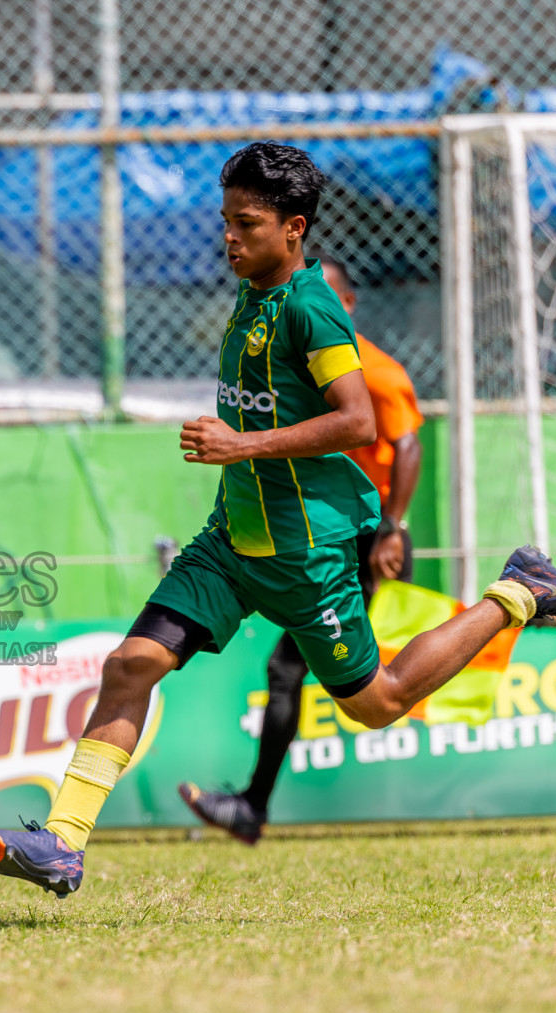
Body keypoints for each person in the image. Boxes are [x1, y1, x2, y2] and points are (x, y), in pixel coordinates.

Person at [0, 142, 556, 898]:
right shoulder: (252, 292)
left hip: (308, 554)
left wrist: (244, 443)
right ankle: (62, 843)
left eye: (247, 224)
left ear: (294, 228)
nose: (229, 238)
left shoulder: (310, 308)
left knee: (379, 702)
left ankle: (519, 592)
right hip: (231, 541)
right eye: (226, 221)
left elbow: (359, 420)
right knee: (130, 664)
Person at [176, 253, 425, 844]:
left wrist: (392, 528)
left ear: (349, 306)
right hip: (320, 530)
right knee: (311, 675)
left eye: (335, 300)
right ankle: (252, 806)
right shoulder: (295, 362)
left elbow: (407, 447)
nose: (320, 311)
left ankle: (253, 807)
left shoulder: (377, 372)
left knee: (326, 678)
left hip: (362, 536)